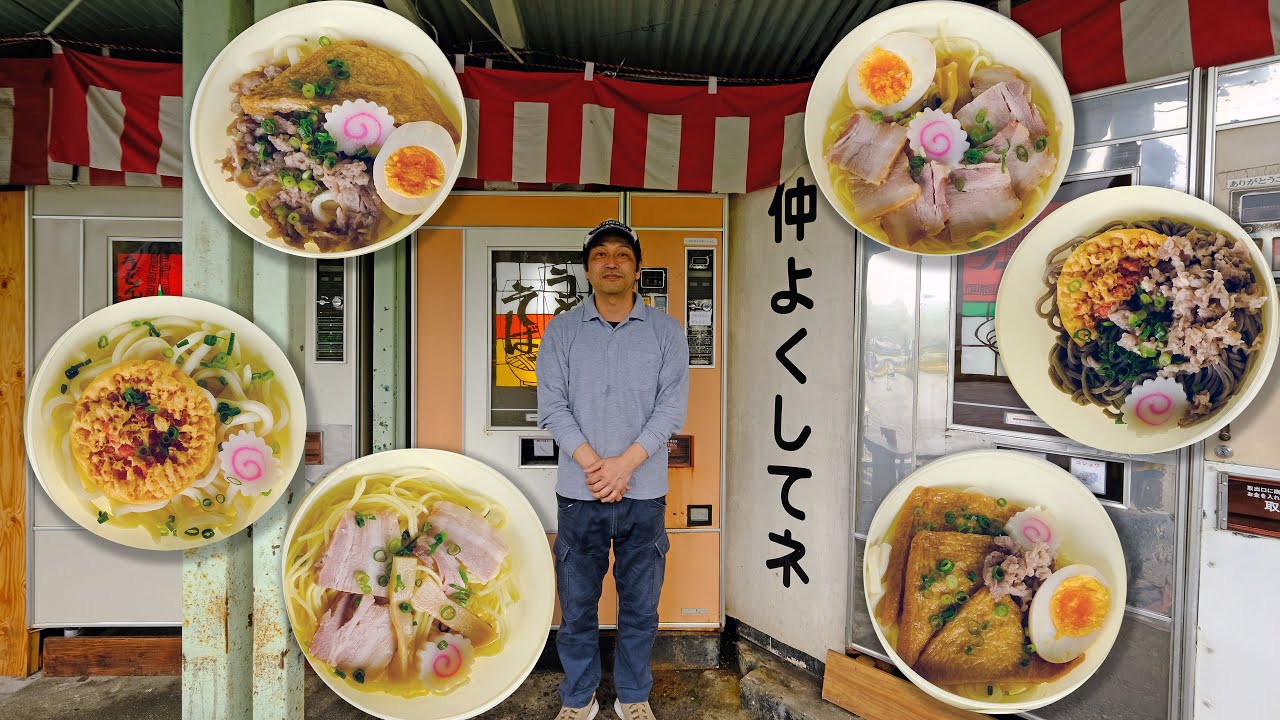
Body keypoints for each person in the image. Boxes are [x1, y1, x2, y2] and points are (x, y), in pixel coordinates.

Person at [537, 219, 690, 720]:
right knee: (577, 608)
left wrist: (625, 465)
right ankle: (578, 700)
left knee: (640, 607)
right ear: (587, 269)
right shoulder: (561, 330)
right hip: (578, 493)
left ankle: (633, 695)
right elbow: (552, 407)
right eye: (600, 254)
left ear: (637, 268)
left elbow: (670, 410)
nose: (610, 262)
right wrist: (593, 464)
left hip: (643, 493)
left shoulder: (667, 332)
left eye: (621, 254)